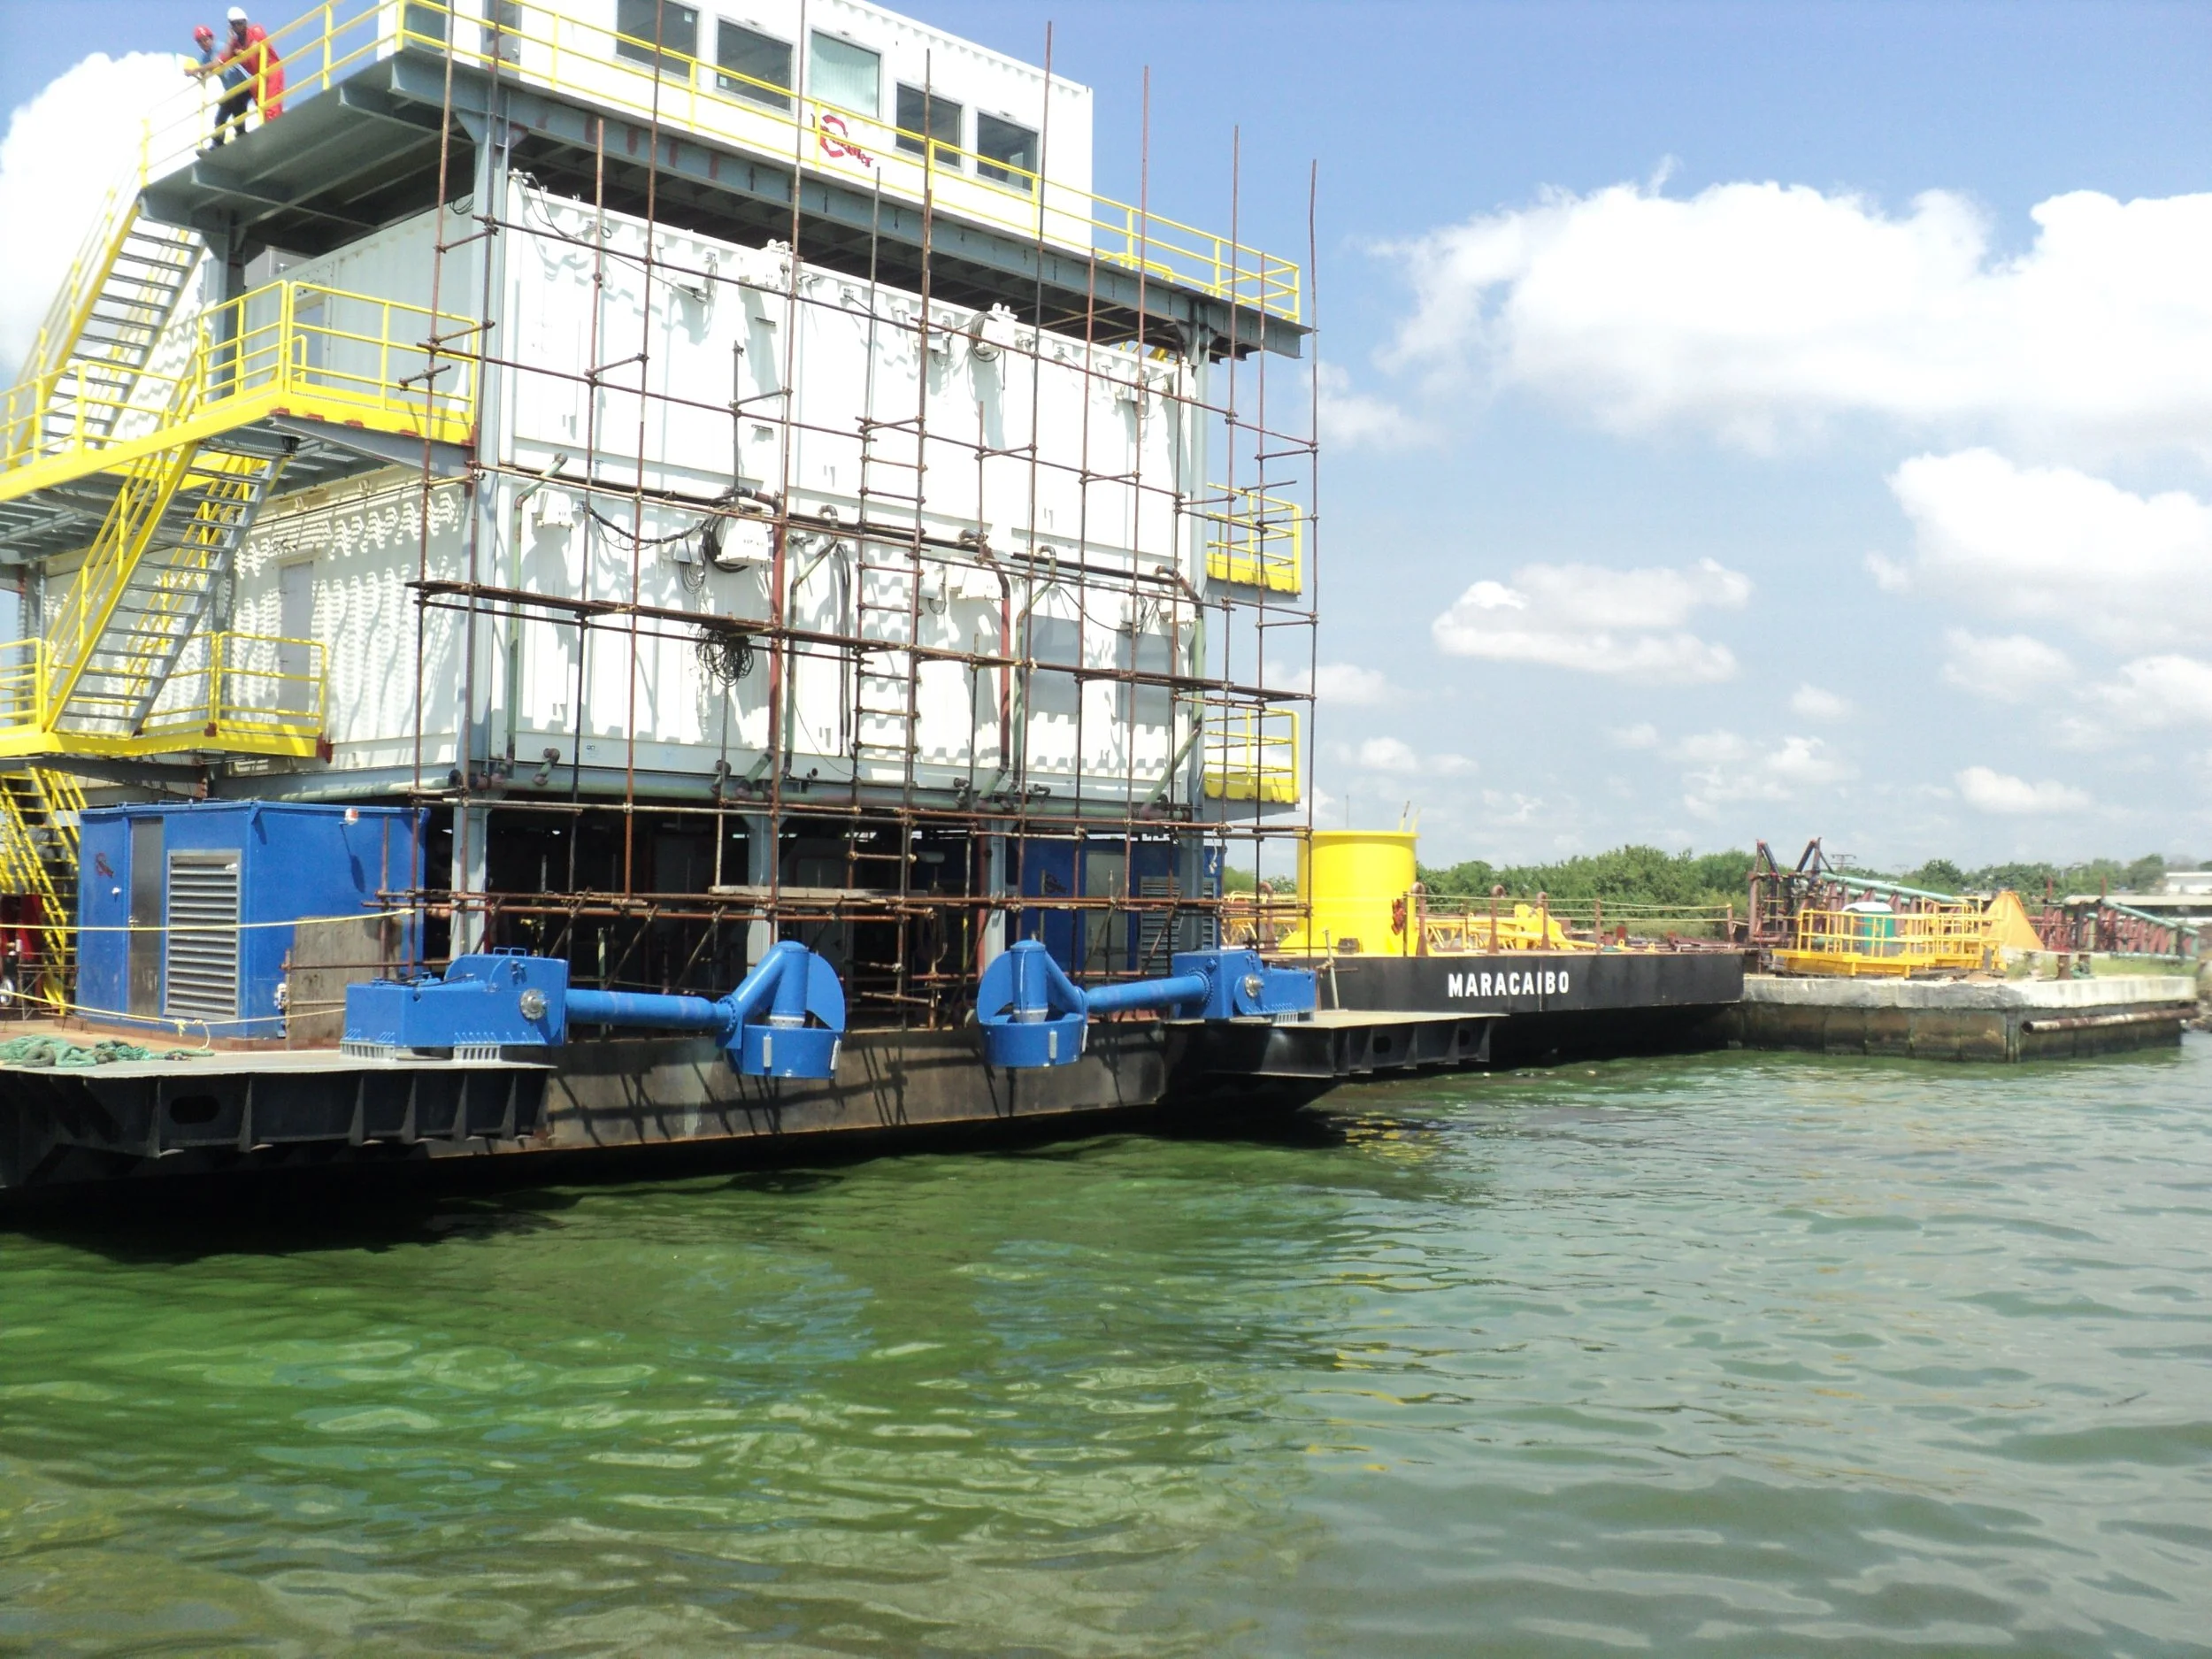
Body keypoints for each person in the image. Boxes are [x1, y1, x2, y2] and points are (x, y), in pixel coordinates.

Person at [190, 8, 285, 142]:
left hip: (271, 70)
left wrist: (242, 52)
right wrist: (230, 40)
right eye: (234, 24)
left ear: (246, 22)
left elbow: (254, 47)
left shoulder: (256, 30)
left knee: (271, 106)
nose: (238, 27)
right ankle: (266, 132)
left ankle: (274, 133)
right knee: (262, 108)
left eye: (240, 23)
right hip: (257, 77)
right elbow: (221, 60)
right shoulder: (234, 43)